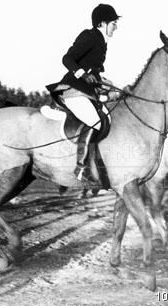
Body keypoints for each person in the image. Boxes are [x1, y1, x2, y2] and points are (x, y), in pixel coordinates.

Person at [47, 4, 120, 183]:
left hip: (86, 92)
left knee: (104, 119)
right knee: (95, 122)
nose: (116, 27)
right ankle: (81, 167)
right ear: (102, 23)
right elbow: (67, 58)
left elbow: (92, 70)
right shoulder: (90, 36)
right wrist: (83, 74)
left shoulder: (102, 42)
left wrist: (106, 84)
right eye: (113, 23)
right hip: (73, 90)